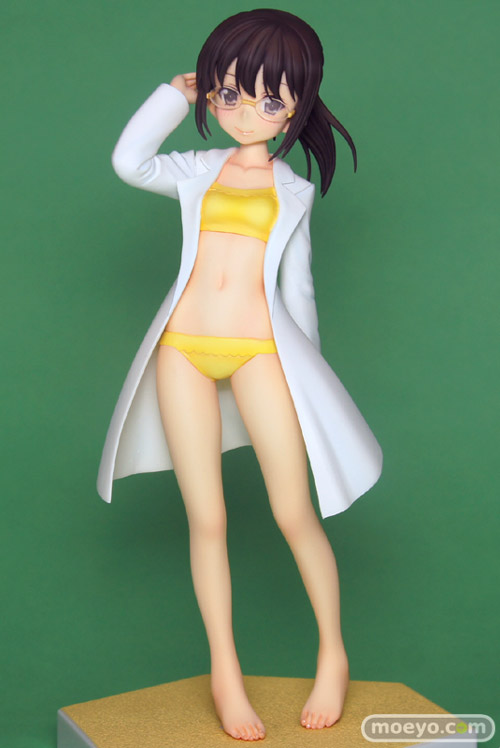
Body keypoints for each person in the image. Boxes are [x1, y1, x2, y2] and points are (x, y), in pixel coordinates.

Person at [98, 9, 382, 741]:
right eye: (229, 93)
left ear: (297, 105)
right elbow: (129, 162)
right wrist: (173, 96)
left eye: (269, 99)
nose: (245, 111)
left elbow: (299, 292)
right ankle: (225, 670)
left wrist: (311, 388)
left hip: (261, 352)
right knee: (208, 520)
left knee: (294, 512)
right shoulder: (194, 171)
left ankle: (333, 652)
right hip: (183, 351)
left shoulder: (295, 191)